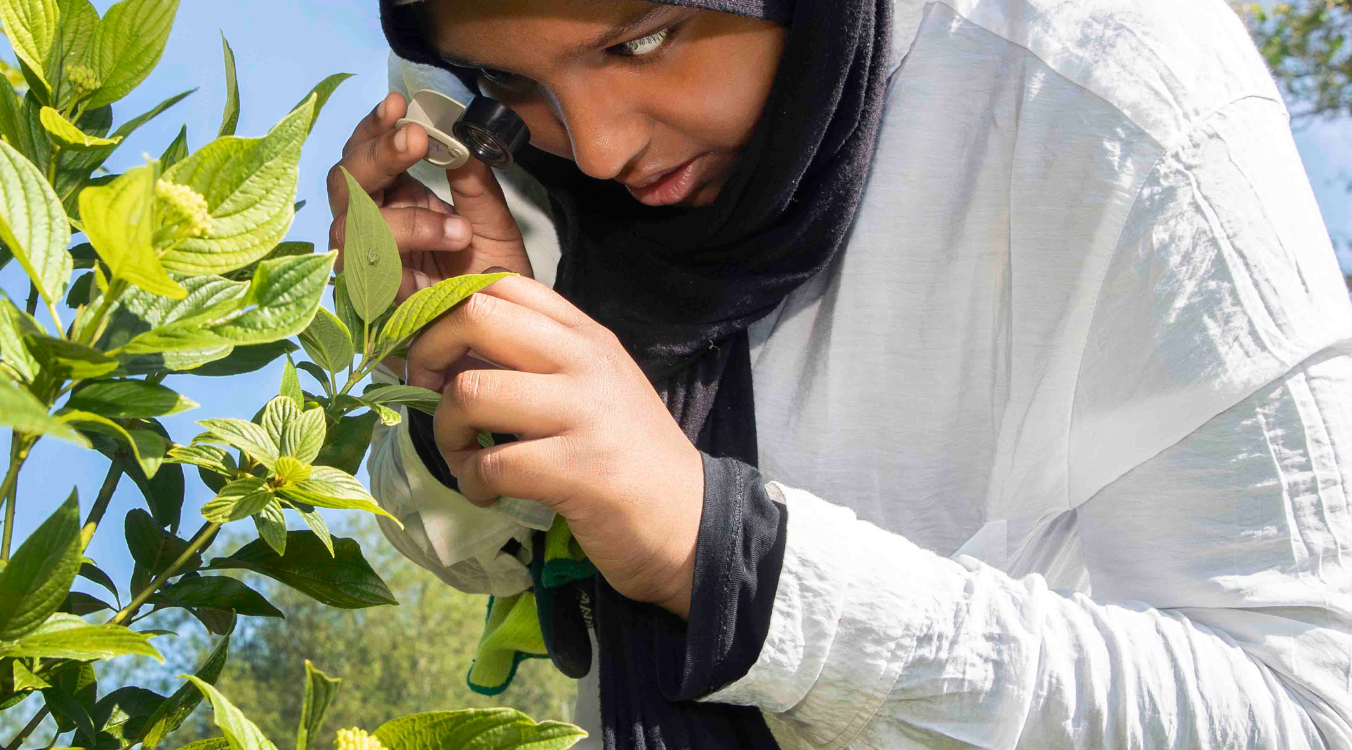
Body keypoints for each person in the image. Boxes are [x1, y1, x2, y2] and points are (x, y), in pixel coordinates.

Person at [330, 0, 1352, 748]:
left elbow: (1303, 714)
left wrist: (733, 561)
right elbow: (478, 560)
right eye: (513, 82)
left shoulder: (1108, 92)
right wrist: (467, 375)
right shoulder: (512, 149)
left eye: (640, 40)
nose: (596, 150)